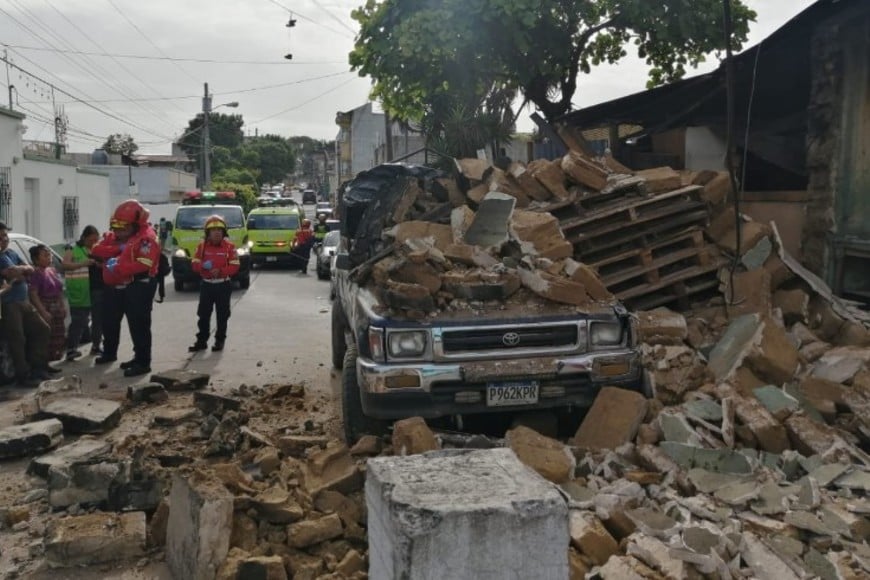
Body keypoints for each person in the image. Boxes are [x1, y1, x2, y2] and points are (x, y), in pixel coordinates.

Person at [90, 200, 161, 377]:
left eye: (123, 228)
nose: (118, 232)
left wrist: (120, 267)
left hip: (141, 284)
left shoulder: (146, 239)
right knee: (120, 322)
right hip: (126, 284)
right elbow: (97, 250)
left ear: (136, 224)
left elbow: (144, 263)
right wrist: (117, 250)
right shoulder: (126, 237)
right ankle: (134, 357)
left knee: (139, 325)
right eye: (116, 227)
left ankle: (143, 362)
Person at [0, 222, 56, 385]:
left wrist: (20, 271)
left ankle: (39, 367)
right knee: (17, 339)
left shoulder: (10, 253)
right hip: (8, 304)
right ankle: (23, 376)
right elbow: (11, 274)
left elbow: (29, 269)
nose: (4, 239)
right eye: (0, 237)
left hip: (23, 301)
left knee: (42, 329)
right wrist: (18, 272)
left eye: (5, 236)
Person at [188, 215, 240, 353]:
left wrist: (221, 271)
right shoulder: (202, 247)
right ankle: (201, 341)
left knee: (222, 315)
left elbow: (235, 265)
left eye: (219, 230)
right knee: (203, 314)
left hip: (223, 285)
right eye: (213, 230)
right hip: (207, 285)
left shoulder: (230, 247)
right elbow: (194, 263)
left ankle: (219, 340)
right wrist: (203, 267)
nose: (217, 232)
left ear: (224, 232)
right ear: (208, 233)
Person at [62, 225, 99, 360]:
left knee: (93, 320)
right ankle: (71, 350)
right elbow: (65, 264)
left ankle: (95, 346)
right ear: (84, 237)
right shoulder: (72, 248)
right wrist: (83, 263)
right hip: (78, 291)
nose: (93, 243)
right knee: (78, 321)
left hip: (91, 290)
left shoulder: (93, 249)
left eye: (96, 240)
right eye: (91, 240)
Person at [28, 245, 67, 362]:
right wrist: (43, 312)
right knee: (46, 337)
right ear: (36, 259)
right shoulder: (36, 274)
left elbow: (59, 290)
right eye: (45, 255)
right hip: (45, 305)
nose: (49, 257)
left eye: (49, 254)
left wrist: (62, 306)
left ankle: (51, 361)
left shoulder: (52, 270)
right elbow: (33, 295)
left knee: (58, 335)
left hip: (56, 306)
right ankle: (43, 365)